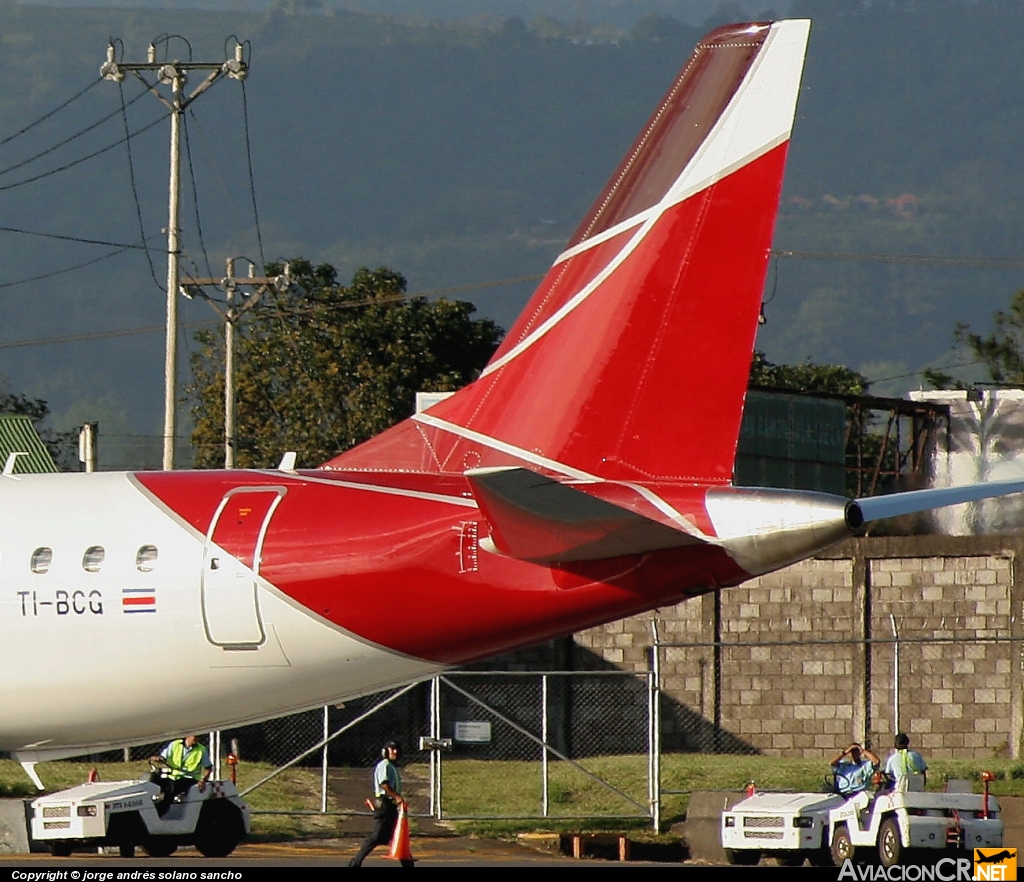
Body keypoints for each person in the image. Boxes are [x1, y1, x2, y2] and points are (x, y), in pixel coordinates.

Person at [349, 740, 414, 867]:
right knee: (377, 837)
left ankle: (408, 864)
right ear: (385, 752)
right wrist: (396, 796)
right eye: (392, 749)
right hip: (385, 804)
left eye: (397, 749)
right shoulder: (384, 765)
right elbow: (384, 784)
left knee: (397, 835)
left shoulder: (392, 767)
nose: (395, 752)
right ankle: (354, 863)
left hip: (390, 805)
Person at [149, 734, 213, 812]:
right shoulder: (175, 744)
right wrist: (158, 759)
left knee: (172, 788)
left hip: (189, 778)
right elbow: (164, 757)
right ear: (188, 736)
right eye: (195, 736)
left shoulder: (202, 750)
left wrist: (203, 780)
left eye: (199, 736)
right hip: (172, 776)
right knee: (154, 781)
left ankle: (161, 810)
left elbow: (208, 767)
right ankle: (150, 805)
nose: (197, 738)